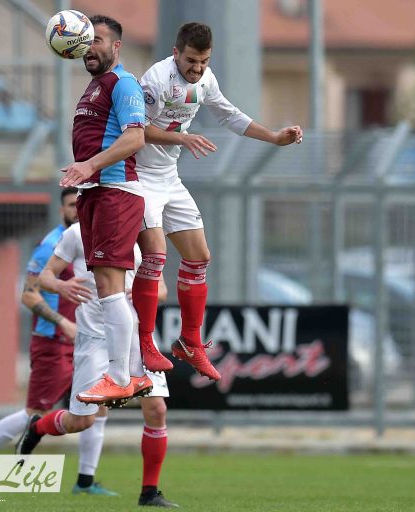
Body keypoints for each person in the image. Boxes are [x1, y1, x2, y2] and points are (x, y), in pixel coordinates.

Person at [132, 22, 303, 381]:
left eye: (204, 61)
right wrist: (183, 139)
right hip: (141, 177)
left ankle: (189, 342)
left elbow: (228, 114)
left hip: (169, 177)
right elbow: (137, 130)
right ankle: (145, 341)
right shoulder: (156, 80)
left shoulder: (206, 80)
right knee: (156, 256)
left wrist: (274, 137)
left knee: (199, 257)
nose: (197, 69)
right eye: (191, 61)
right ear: (176, 53)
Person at [0, 188, 116, 496]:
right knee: (34, 413)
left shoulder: (89, 241)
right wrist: (63, 323)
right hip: (54, 341)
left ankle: (85, 481)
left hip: (86, 341)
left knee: (98, 408)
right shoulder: (52, 246)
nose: (77, 210)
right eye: (71, 205)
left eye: (81, 205)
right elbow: (28, 295)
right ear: (61, 210)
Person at [16, 221, 177, 508]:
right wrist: (62, 285)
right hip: (95, 339)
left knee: (157, 409)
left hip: (137, 336)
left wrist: (146, 292)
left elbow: (162, 289)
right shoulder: (78, 233)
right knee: (82, 420)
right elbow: (45, 277)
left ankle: (149, 492)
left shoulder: (141, 232)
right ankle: (38, 427)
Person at [58, 14, 148, 405]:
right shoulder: (94, 87)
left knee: (111, 290)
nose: (89, 47)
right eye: (85, 40)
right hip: (95, 193)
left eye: (97, 40)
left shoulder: (122, 83)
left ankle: (120, 376)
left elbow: (136, 138)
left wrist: (90, 165)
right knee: (108, 290)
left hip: (116, 191)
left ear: (116, 46)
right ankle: (135, 374)